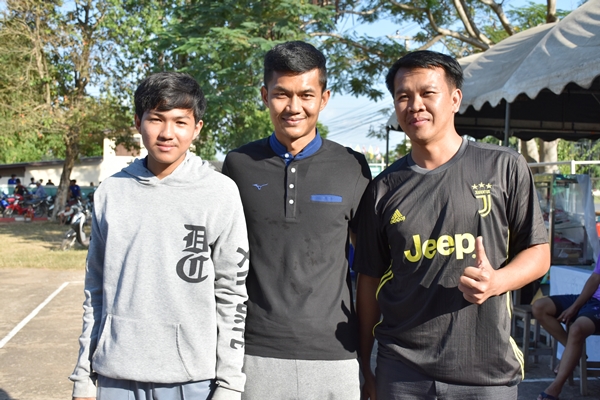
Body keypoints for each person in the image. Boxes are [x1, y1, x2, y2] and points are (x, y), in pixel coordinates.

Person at [353, 50, 550, 400]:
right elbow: (369, 280)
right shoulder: (382, 189)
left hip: (487, 374)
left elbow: (539, 252)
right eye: (403, 96)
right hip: (401, 373)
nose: (415, 105)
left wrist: (497, 281)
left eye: (427, 93)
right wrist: (364, 366)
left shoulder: (503, 167)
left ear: (455, 99)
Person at [69, 72, 249, 400]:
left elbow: (232, 294)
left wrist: (230, 384)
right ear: (138, 122)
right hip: (115, 376)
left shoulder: (220, 193)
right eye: (156, 119)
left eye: (180, 122)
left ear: (197, 128)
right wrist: (83, 376)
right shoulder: (110, 192)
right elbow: (94, 290)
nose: (167, 133)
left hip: (192, 380)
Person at [222, 41, 371, 400]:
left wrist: (367, 361)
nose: (293, 107)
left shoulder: (352, 166)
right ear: (264, 95)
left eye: (306, 95)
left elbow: (369, 269)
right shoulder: (238, 165)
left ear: (324, 98)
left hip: (336, 354)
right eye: (281, 94)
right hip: (254, 351)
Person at [532, 259, 600, 400]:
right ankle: (575, 353)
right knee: (539, 307)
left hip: (597, 307)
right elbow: (595, 278)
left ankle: (555, 388)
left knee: (576, 329)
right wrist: (575, 306)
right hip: (591, 299)